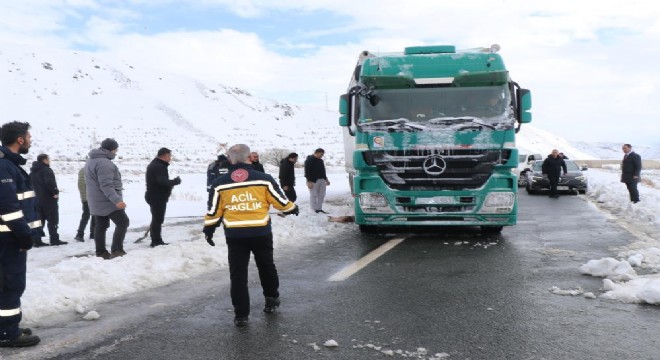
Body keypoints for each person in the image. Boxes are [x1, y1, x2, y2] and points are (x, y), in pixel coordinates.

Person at [203, 144, 299, 327]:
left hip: (235, 235)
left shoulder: (220, 183)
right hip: (260, 231)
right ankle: (271, 299)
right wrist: (293, 208)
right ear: (249, 158)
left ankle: (241, 315)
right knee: (266, 265)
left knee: (238, 274)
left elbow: (213, 211)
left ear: (230, 160)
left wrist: (209, 229)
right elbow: (281, 203)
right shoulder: (264, 179)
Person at [0, 121, 42, 347]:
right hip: (8, 239)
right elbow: (7, 206)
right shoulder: (4, 166)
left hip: (9, 237)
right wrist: (24, 234)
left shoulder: (10, 165)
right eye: (28, 136)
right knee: (10, 284)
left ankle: (7, 327)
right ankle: (7, 333)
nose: (30, 140)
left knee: (7, 284)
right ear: (19, 140)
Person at [84, 138, 129, 259]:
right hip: (107, 201)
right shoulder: (105, 163)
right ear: (111, 149)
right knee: (123, 222)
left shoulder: (90, 161)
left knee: (101, 225)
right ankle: (117, 250)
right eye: (115, 149)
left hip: (95, 200)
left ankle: (101, 252)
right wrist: (117, 200)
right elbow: (106, 185)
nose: (116, 152)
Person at [145, 148, 181, 247]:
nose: (170, 158)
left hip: (155, 196)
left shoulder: (156, 165)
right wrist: (175, 181)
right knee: (157, 219)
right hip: (156, 197)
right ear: (164, 156)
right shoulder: (158, 166)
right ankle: (156, 241)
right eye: (169, 156)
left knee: (157, 218)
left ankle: (156, 240)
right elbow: (162, 182)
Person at [29, 154, 66, 246]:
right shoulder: (46, 170)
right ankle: (54, 239)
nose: (49, 161)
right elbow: (49, 183)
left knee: (38, 220)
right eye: (48, 159)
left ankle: (36, 240)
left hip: (36, 199)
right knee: (52, 219)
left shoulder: (32, 172)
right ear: (44, 160)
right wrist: (55, 192)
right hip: (48, 199)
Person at [304, 148, 330, 213]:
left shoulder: (320, 161)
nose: (322, 156)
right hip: (313, 180)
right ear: (317, 153)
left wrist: (326, 179)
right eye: (321, 154)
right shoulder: (309, 160)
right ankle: (313, 209)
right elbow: (307, 172)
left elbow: (323, 171)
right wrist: (309, 181)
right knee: (314, 195)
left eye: (323, 154)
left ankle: (319, 209)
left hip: (321, 180)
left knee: (322, 195)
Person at [74, 166, 95, 242]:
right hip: (90, 197)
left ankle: (91, 233)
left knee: (89, 215)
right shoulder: (89, 170)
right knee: (88, 215)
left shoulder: (83, 170)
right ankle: (81, 233)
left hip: (86, 197)